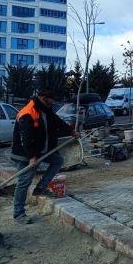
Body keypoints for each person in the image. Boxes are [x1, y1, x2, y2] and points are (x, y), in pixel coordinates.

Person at [12, 88, 79, 224]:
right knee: (24, 182)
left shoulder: (45, 110)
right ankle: (18, 213)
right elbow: (25, 137)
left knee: (57, 160)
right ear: (42, 97)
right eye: (50, 99)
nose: (52, 102)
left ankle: (40, 188)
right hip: (25, 153)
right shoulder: (28, 112)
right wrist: (31, 157)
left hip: (40, 151)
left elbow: (57, 121)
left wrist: (71, 131)